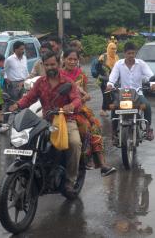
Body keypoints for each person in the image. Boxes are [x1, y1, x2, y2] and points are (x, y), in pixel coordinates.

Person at [9, 51, 82, 194]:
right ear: (43, 65)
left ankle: (70, 180)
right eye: (47, 65)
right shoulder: (40, 82)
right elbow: (29, 98)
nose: (50, 67)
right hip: (46, 120)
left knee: (74, 143)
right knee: (27, 140)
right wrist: (17, 105)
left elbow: (77, 99)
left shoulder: (67, 82)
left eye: (53, 64)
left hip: (65, 119)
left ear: (59, 64)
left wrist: (71, 106)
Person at [60, 49, 116, 177]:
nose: (72, 62)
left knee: (94, 128)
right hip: (60, 110)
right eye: (70, 59)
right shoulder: (58, 75)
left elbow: (85, 94)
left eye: (75, 59)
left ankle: (101, 164)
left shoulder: (81, 75)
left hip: (78, 109)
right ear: (64, 59)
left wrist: (83, 98)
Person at [107, 42, 155, 140]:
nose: (131, 55)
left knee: (147, 106)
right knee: (114, 107)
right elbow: (113, 77)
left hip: (137, 93)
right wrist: (110, 84)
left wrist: (152, 83)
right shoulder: (119, 64)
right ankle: (114, 130)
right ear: (124, 53)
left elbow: (150, 76)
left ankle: (148, 128)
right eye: (129, 53)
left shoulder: (141, 64)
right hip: (123, 94)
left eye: (133, 53)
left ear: (135, 53)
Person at [3, 41, 28, 122]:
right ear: (15, 49)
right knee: (10, 104)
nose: (23, 51)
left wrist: (27, 80)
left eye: (23, 49)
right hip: (13, 84)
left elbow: (26, 70)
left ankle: (18, 123)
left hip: (23, 83)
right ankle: (5, 123)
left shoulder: (24, 58)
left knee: (22, 103)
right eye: (21, 49)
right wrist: (6, 78)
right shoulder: (10, 59)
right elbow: (4, 71)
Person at [96, 42, 119, 116]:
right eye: (112, 48)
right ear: (109, 48)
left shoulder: (116, 57)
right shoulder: (103, 57)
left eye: (115, 49)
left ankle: (104, 110)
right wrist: (105, 73)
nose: (114, 50)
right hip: (103, 80)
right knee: (106, 95)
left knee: (113, 95)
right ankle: (104, 110)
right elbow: (98, 68)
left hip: (113, 80)